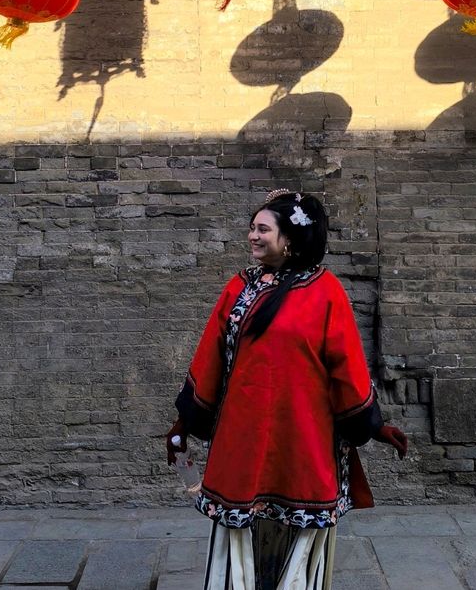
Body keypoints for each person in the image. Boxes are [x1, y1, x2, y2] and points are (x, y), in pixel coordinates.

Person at [166, 189, 408, 590]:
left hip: (305, 441)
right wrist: (183, 423)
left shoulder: (325, 291)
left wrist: (374, 425)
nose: (252, 236)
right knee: (239, 537)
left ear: (289, 239)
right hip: (242, 437)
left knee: (300, 546)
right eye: (252, 228)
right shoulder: (238, 288)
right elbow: (209, 361)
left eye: (262, 229)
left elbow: (347, 371)